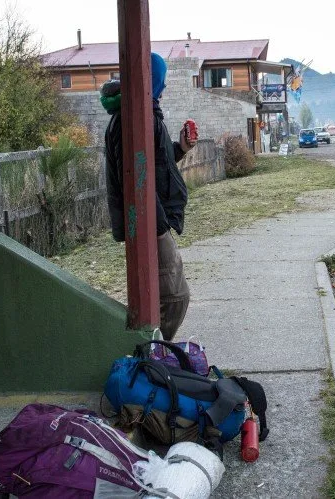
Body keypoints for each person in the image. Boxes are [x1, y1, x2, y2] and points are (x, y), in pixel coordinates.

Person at [101, 53, 195, 340]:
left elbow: (152, 167)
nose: (164, 88)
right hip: (149, 223)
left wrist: (180, 148)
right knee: (175, 297)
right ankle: (153, 355)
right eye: (161, 81)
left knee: (164, 298)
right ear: (150, 81)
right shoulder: (132, 118)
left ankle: (154, 356)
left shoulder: (142, 113)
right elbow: (132, 179)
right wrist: (156, 228)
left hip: (151, 220)